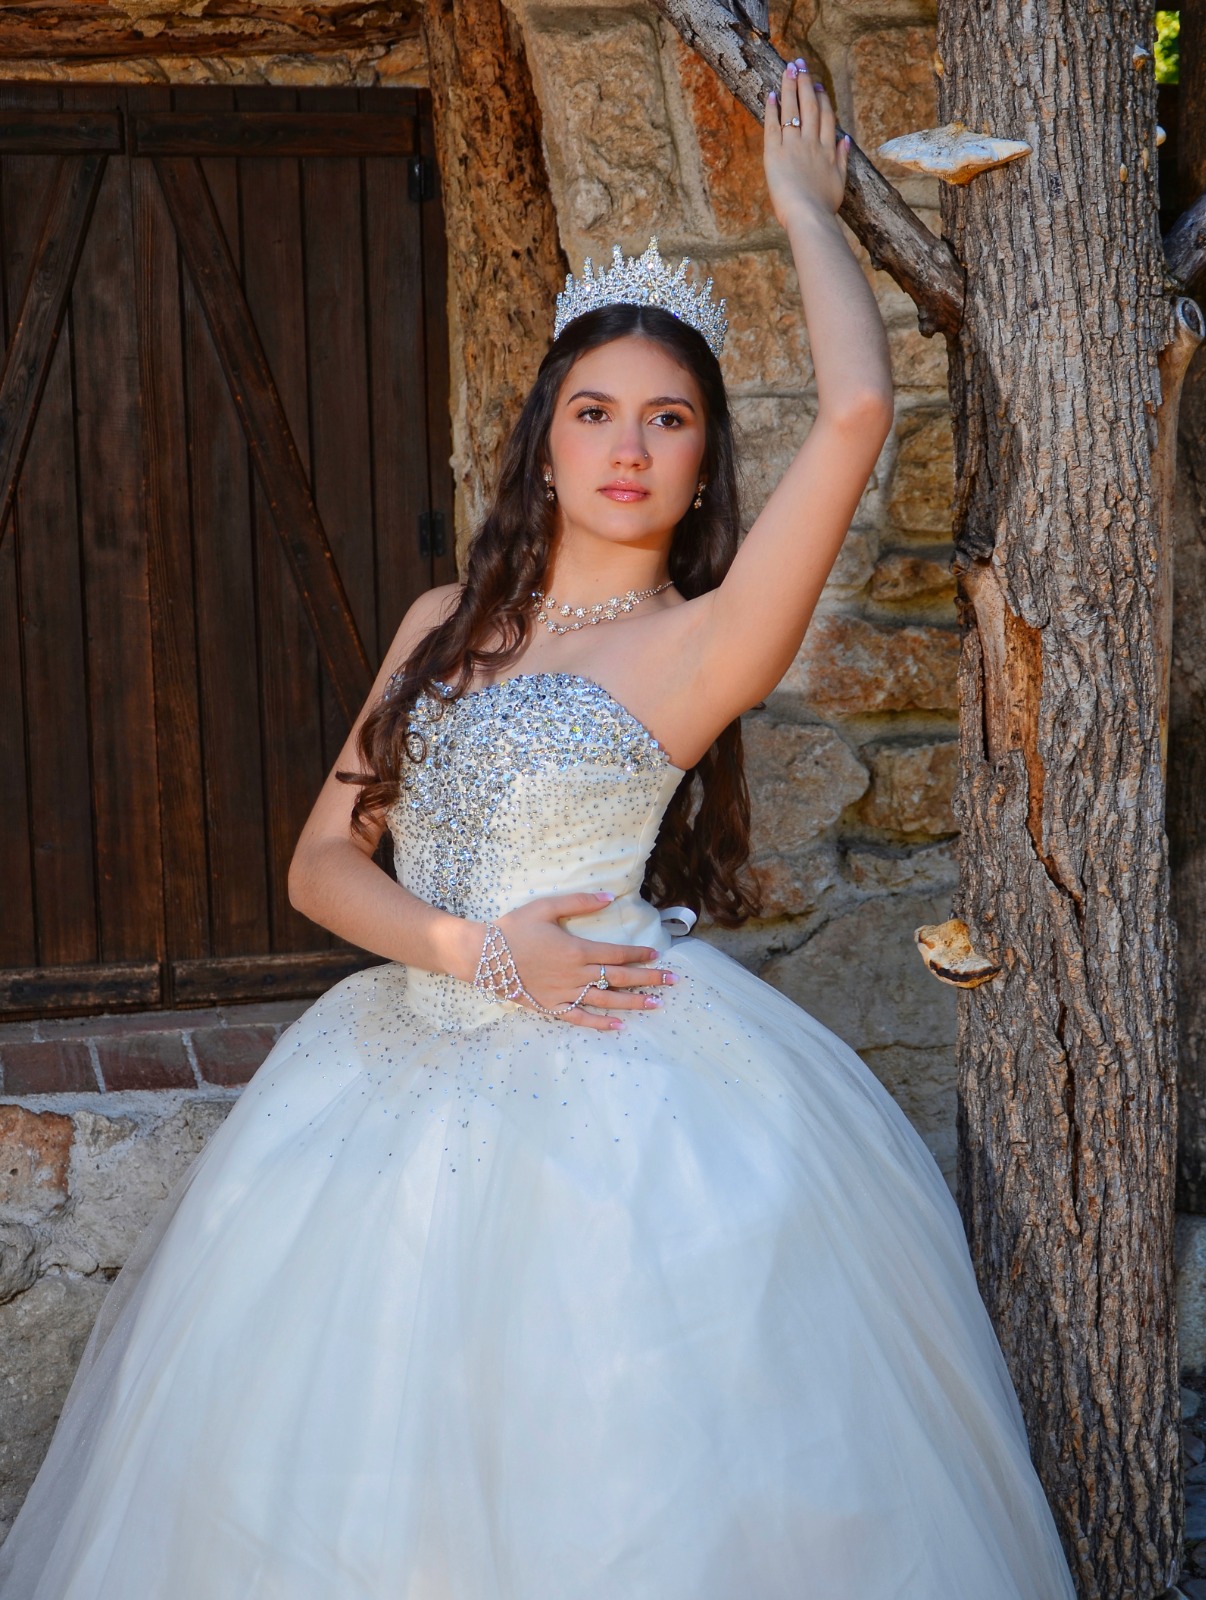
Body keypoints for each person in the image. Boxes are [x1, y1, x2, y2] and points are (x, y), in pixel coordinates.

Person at [0, 57, 1077, 1600]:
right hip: (392, 1064)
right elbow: (319, 864)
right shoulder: (444, 623)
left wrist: (803, 205)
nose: (628, 446)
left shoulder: (706, 644)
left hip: (624, 1082)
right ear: (546, 440)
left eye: (668, 419)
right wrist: (474, 953)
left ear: (702, 461)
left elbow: (855, 407)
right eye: (595, 411)